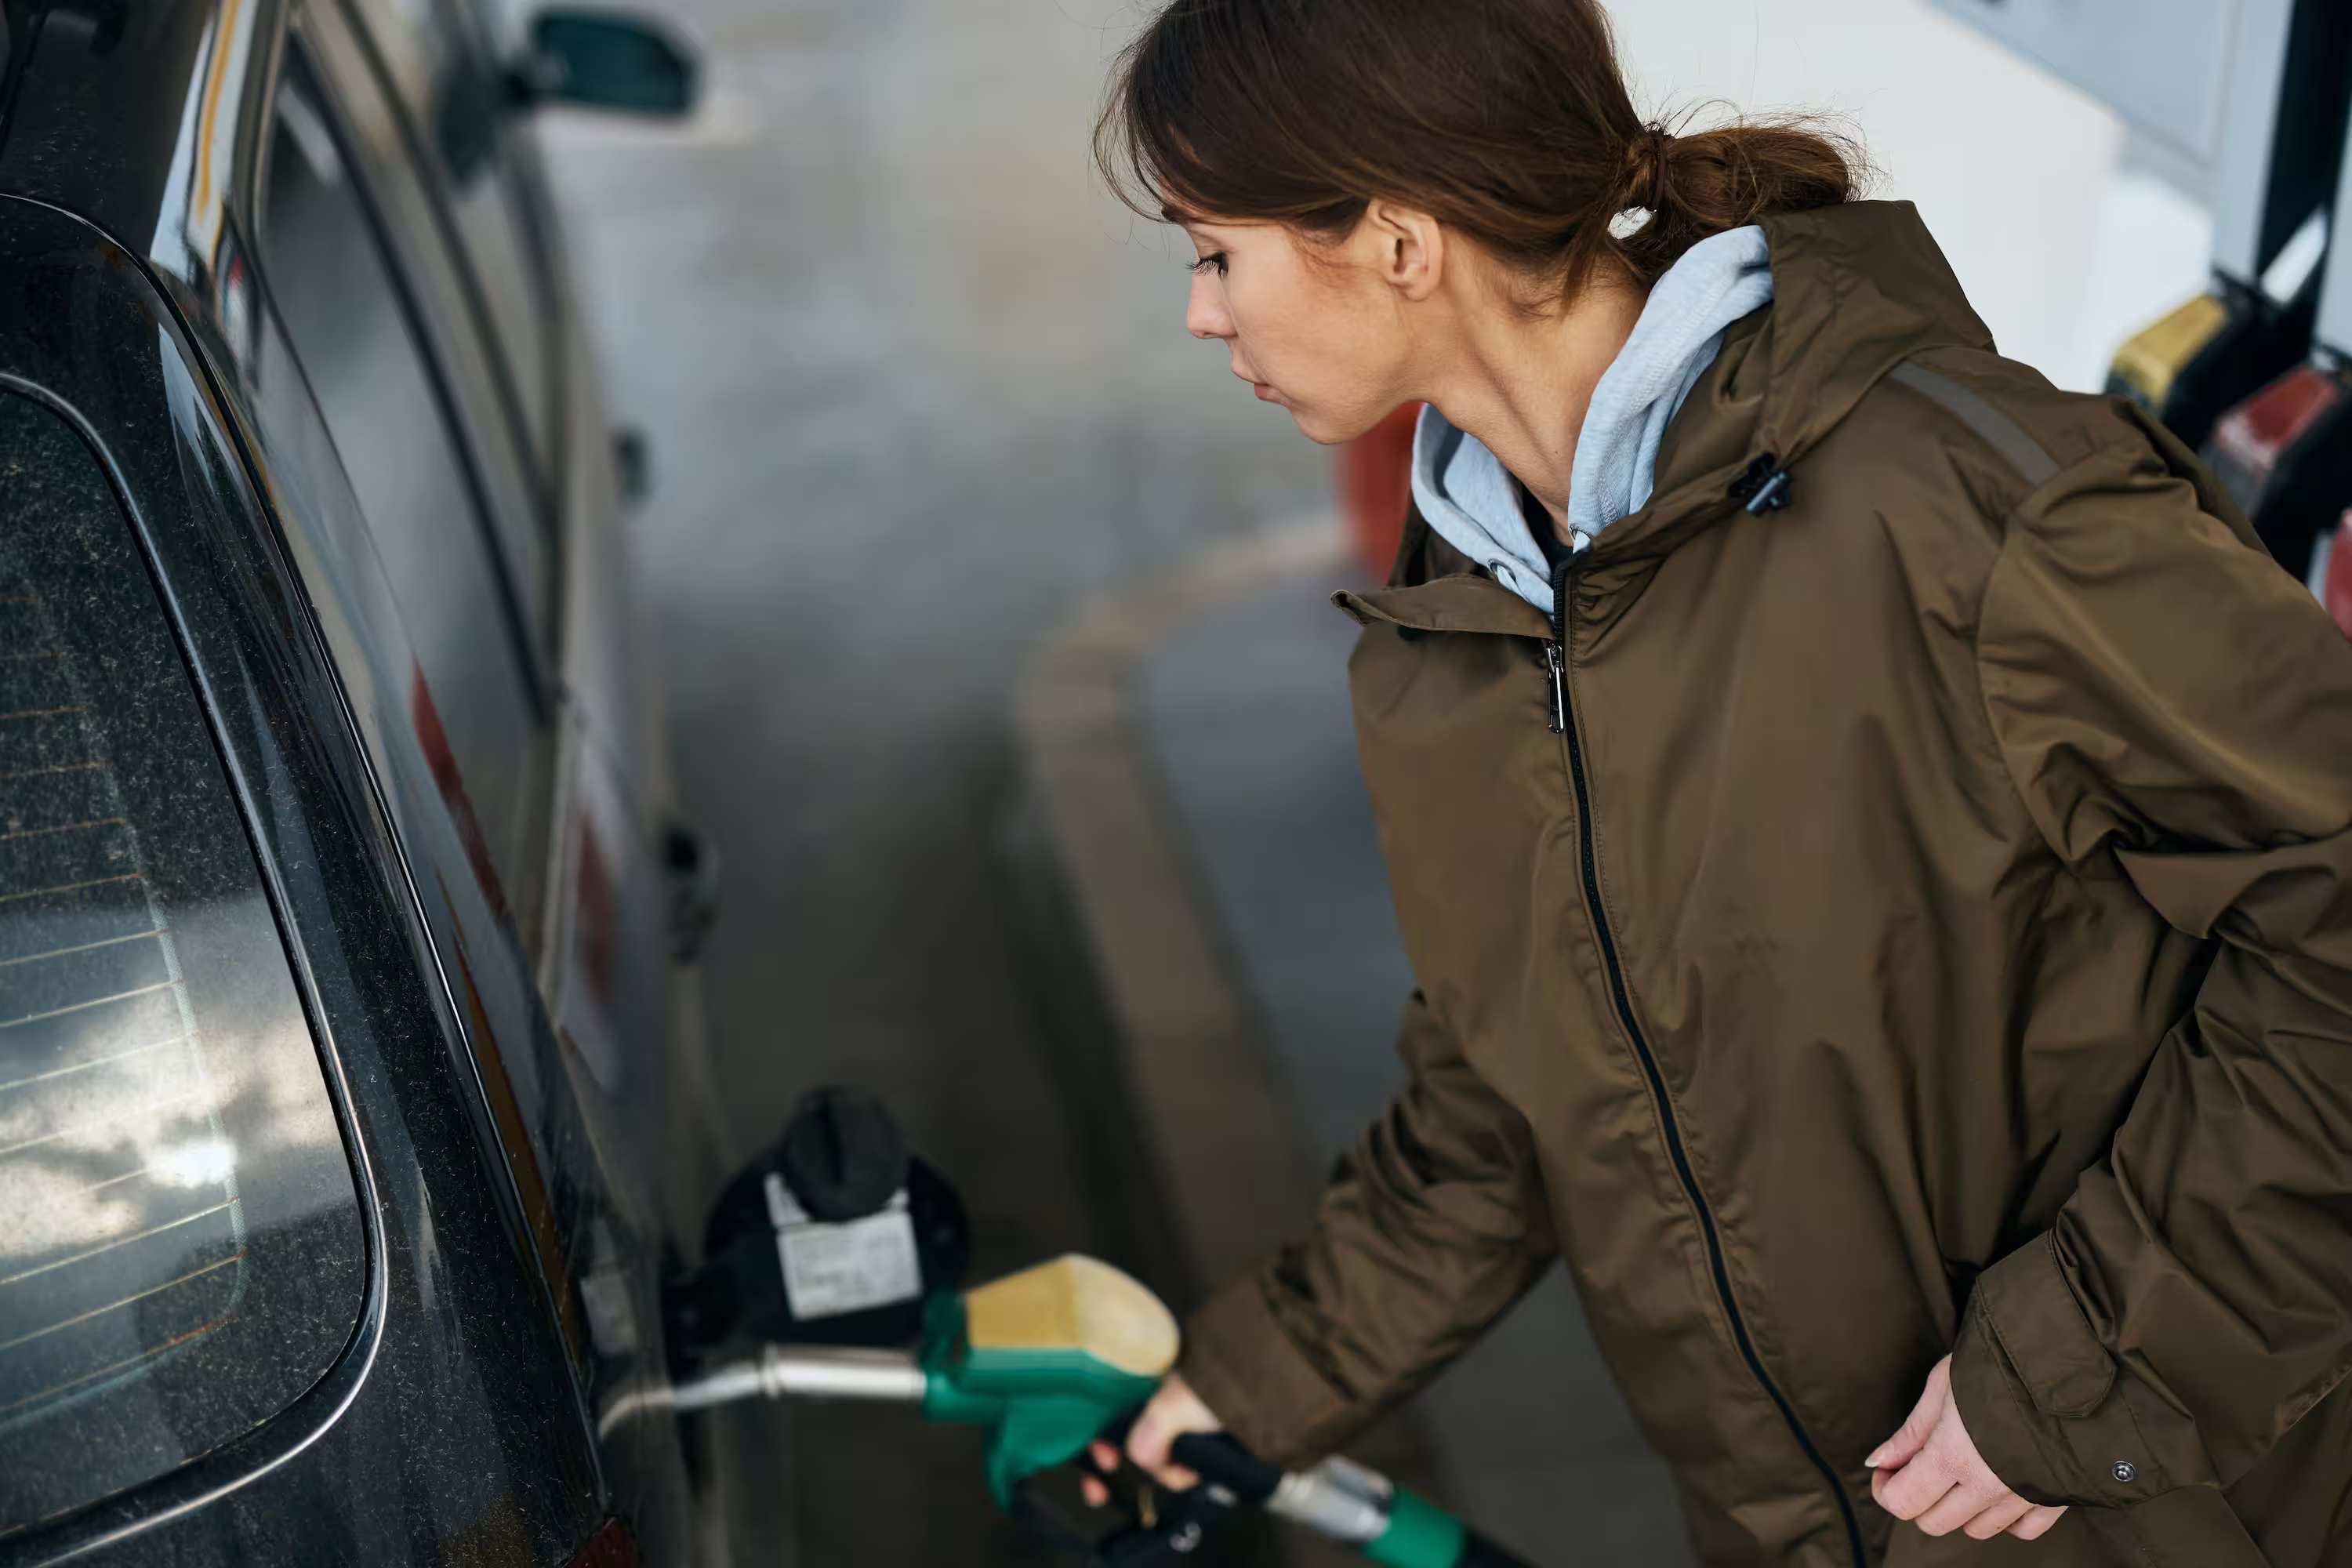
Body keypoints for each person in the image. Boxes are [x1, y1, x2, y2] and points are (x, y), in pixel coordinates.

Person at [1080, 1, 2352, 1564]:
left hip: (2150, 1508)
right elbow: (1502, 1109)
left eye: (1217, 254)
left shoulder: (1964, 509)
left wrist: (2094, 1368)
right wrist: (1241, 1396)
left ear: (1399, 240)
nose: (1206, 315)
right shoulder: (1449, 644)